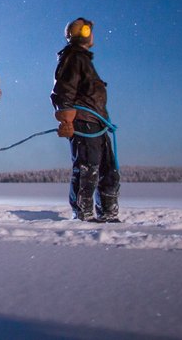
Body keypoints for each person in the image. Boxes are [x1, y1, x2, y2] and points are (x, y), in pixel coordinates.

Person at [50, 17, 120, 222]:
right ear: (85, 32)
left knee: (109, 171)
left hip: (97, 123)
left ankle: (109, 214)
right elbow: (63, 90)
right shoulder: (73, 57)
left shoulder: (83, 59)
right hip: (84, 124)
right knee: (87, 171)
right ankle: (84, 215)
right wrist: (67, 118)